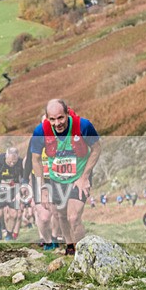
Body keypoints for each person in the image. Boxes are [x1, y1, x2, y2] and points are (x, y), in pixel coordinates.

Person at [30, 99, 101, 255]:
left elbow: (96, 149)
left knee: (73, 217)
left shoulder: (83, 126)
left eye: (60, 118)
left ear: (68, 114)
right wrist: (42, 187)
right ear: (47, 118)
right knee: (61, 215)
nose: (57, 123)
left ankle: (83, 253)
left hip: (79, 178)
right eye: (52, 119)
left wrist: (85, 176)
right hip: (57, 179)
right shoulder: (40, 131)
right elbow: (35, 159)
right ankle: (70, 246)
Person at [0, 147, 24, 241]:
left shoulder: (20, 162)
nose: (12, 163)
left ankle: (9, 234)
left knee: (14, 214)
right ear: (6, 157)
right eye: (10, 161)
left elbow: (23, 177)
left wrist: (20, 190)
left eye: (14, 161)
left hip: (13, 189)